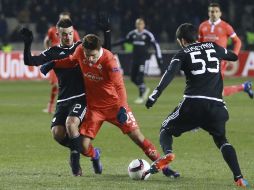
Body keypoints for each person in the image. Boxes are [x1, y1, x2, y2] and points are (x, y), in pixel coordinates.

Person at [40, 34, 179, 178]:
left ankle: (166, 169)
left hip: (115, 106)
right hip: (94, 108)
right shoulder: (81, 51)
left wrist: (123, 108)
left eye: (93, 56)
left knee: (137, 137)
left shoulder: (109, 61)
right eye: (87, 55)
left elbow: (119, 87)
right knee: (83, 146)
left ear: (99, 50)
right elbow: (71, 60)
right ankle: (95, 154)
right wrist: (54, 64)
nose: (89, 59)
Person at [145, 23, 249, 188]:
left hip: (193, 103)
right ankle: (239, 178)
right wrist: (222, 54)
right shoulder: (214, 47)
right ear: (197, 36)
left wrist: (154, 95)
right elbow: (234, 57)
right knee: (222, 140)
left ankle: (168, 154)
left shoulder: (183, 53)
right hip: (217, 106)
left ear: (181, 41)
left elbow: (169, 74)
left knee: (165, 128)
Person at [20, 19, 89, 176]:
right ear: (58, 35)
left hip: (81, 97)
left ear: (74, 32)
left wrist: (106, 32)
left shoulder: (80, 46)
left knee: (71, 124)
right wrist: (28, 44)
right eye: (64, 34)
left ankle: (75, 166)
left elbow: (105, 51)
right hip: (63, 99)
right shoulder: (52, 52)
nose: (68, 37)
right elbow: (29, 61)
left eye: (71, 33)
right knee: (57, 134)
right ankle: (77, 148)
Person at [199, 2, 253, 99]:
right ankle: (244, 86)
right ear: (208, 13)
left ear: (220, 13)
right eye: (212, 11)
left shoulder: (226, 26)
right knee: (214, 91)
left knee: (212, 91)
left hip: (220, 62)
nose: (214, 14)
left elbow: (237, 41)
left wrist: (233, 56)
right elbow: (199, 43)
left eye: (216, 11)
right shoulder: (202, 26)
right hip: (205, 62)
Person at [112, 18, 163, 104]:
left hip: (144, 60)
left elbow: (156, 45)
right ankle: (144, 89)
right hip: (135, 59)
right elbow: (124, 41)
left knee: (140, 77)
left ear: (144, 25)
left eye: (141, 24)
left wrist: (159, 57)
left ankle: (141, 96)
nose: (139, 26)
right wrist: (112, 45)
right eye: (138, 24)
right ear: (136, 25)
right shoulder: (132, 34)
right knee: (132, 78)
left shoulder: (147, 35)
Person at [43, 12, 81, 114]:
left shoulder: (73, 32)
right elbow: (47, 40)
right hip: (56, 60)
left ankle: (69, 106)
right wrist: (48, 52)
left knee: (65, 84)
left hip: (68, 61)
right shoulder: (52, 30)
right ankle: (50, 105)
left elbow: (79, 44)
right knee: (55, 84)